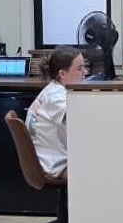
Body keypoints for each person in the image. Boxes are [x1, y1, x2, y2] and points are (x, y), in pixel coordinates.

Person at [26, 46, 85, 177]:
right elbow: (83, 123)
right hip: (55, 165)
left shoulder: (52, 89)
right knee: (105, 166)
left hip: (46, 160)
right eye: (79, 69)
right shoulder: (56, 98)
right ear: (62, 74)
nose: (84, 72)